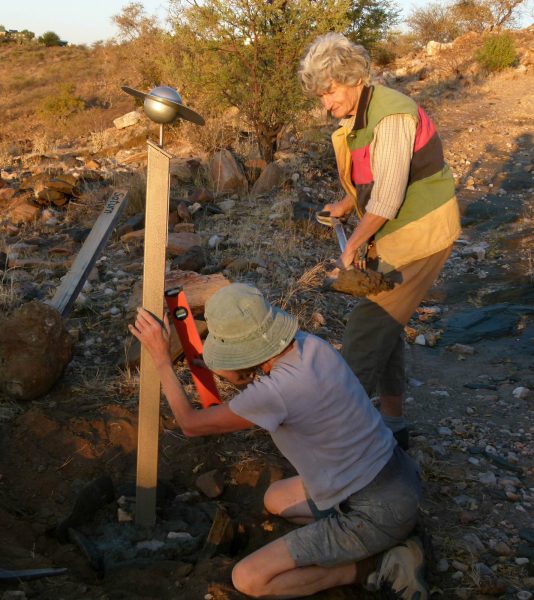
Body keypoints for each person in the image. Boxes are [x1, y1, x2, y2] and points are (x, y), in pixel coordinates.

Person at [129, 283, 427, 599]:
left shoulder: (276, 393)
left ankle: (374, 566)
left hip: (373, 511)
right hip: (397, 477)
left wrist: (162, 359)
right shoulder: (308, 344)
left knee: (249, 579)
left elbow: (190, 424)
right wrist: (228, 367)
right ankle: (387, 537)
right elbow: (266, 387)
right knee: (275, 499)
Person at [298, 33, 461, 449]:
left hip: (422, 235)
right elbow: (373, 182)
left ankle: (338, 441)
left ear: (350, 78)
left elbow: (388, 197)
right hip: (398, 234)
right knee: (386, 327)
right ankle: (393, 424)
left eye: (329, 92)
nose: (326, 104)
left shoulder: (391, 115)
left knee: (366, 329)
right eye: (320, 96)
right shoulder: (362, 113)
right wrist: (345, 205)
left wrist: (352, 244)